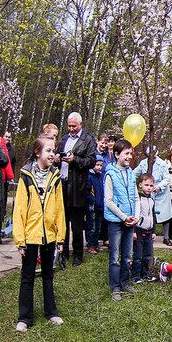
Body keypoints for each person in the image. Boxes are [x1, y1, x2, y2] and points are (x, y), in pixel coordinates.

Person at [12, 136, 66, 332]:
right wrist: (20, 240)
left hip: (49, 235)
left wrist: (60, 237)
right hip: (30, 236)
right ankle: (24, 317)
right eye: (48, 151)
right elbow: (19, 210)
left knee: (48, 275)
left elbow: (60, 208)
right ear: (37, 153)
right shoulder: (26, 176)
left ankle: (51, 312)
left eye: (54, 151)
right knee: (27, 277)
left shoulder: (56, 177)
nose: (52, 154)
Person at [56, 112, 97, 266]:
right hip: (63, 183)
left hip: (78, 186)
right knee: (63, 221)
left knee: (77, 224)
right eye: (69, 126)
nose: (71, 129)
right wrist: (57, 158)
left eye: (74, 126)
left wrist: (75, 160)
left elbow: (92, 161)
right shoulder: (65, 138)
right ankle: (64, 252)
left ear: (80, 125)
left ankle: (78, 255)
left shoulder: (88, 139)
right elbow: (58, 154)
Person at [104, 139, 139, 301]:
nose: (129, 157)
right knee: (115, 256)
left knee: (127, 256)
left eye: (131, 153)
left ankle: (125, 281)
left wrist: (136, 217)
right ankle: (115, 287)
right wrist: (124, 217)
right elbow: (108, 201)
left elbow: (136, 197)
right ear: (117, 154)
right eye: (126, 153)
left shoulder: (131, 173)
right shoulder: (110, 174)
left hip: (130, 222)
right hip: (116, 223)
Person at [135, 146, 172, 245]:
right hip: (148, 192)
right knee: (149, 213)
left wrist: (159, 186)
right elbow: (135, 173)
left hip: (161, 193)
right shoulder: (143, 163)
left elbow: (167, 178)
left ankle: (166, 237)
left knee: (165, 215)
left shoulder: (162, 164)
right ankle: (151, 234)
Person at [130, 173, 157, 285]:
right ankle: (135, 276)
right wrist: (134, 231)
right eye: (146, 185)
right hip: (139, 231)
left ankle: (145, 274)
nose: (149, 188)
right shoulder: (137, 200)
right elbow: (134, 215)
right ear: (140, 185)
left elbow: (153, 216)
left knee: (147, 255)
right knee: (137, 256)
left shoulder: (151, 200)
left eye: (151, 185)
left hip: (149, 231)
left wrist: (154, 231)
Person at [85, 156, 105, 254]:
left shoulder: (101, 177)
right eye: (97, 165)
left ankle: (96, 244)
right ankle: (90, 245)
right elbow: (87, 191)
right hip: (92, 206)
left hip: (100, 206)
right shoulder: (89, 176)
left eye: (101, 165)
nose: (99, 167)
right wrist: (92, 201)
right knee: (91, 227)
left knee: (98, 227)